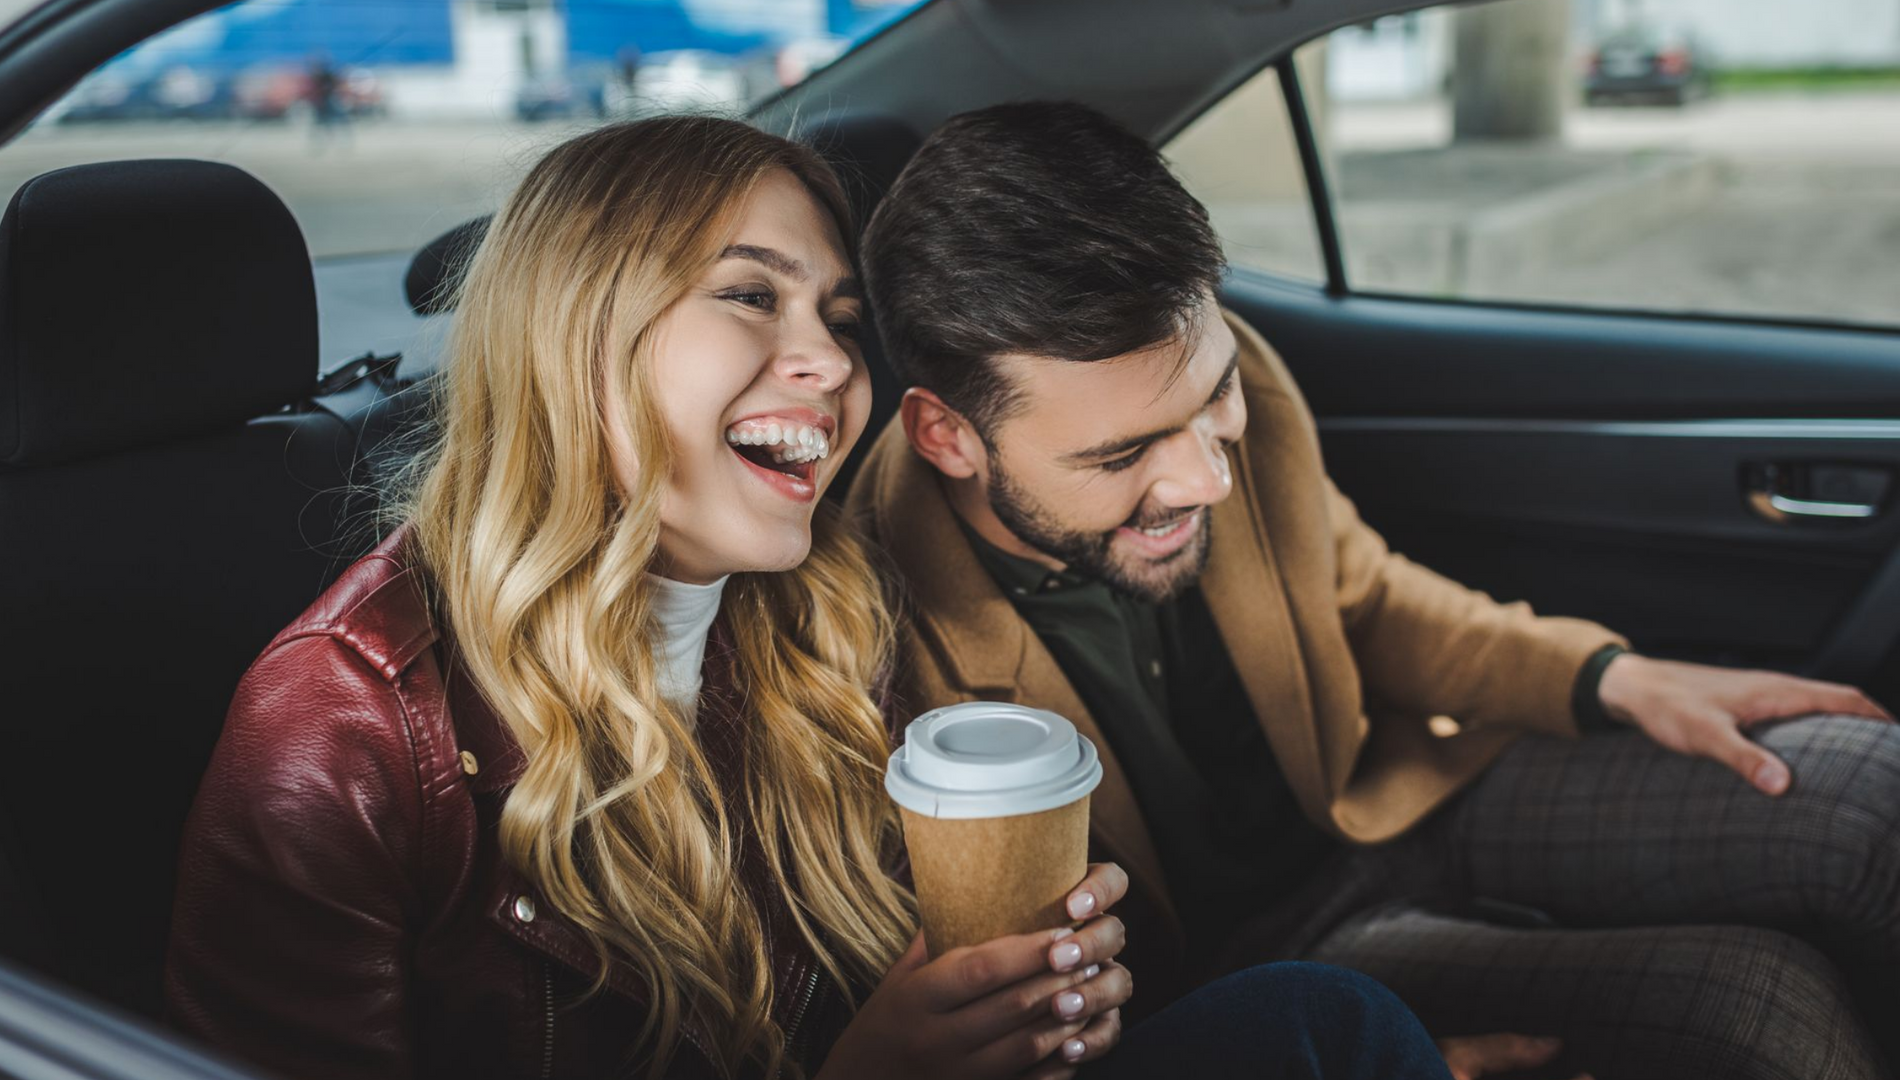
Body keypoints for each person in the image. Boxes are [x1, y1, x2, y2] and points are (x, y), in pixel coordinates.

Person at [164, 116, 1454, 1080]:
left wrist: (1053, 972)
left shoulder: (818, 609)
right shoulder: (339, 731)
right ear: (577, 336)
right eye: (748, 296)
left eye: (840, 315)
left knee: (1321, 1023)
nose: (834, 362)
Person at [849, 100, 1900, 1080]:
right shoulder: (868, 634)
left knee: (1871, 793)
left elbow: (1362, 596)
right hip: (1251, 969)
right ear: (948, 435)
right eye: (1121, 455)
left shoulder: (1232, 372)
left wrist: (1616, 680)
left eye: (1210, 402)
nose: (1208, 479)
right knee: (1764, 1005)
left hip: (1389, 794)